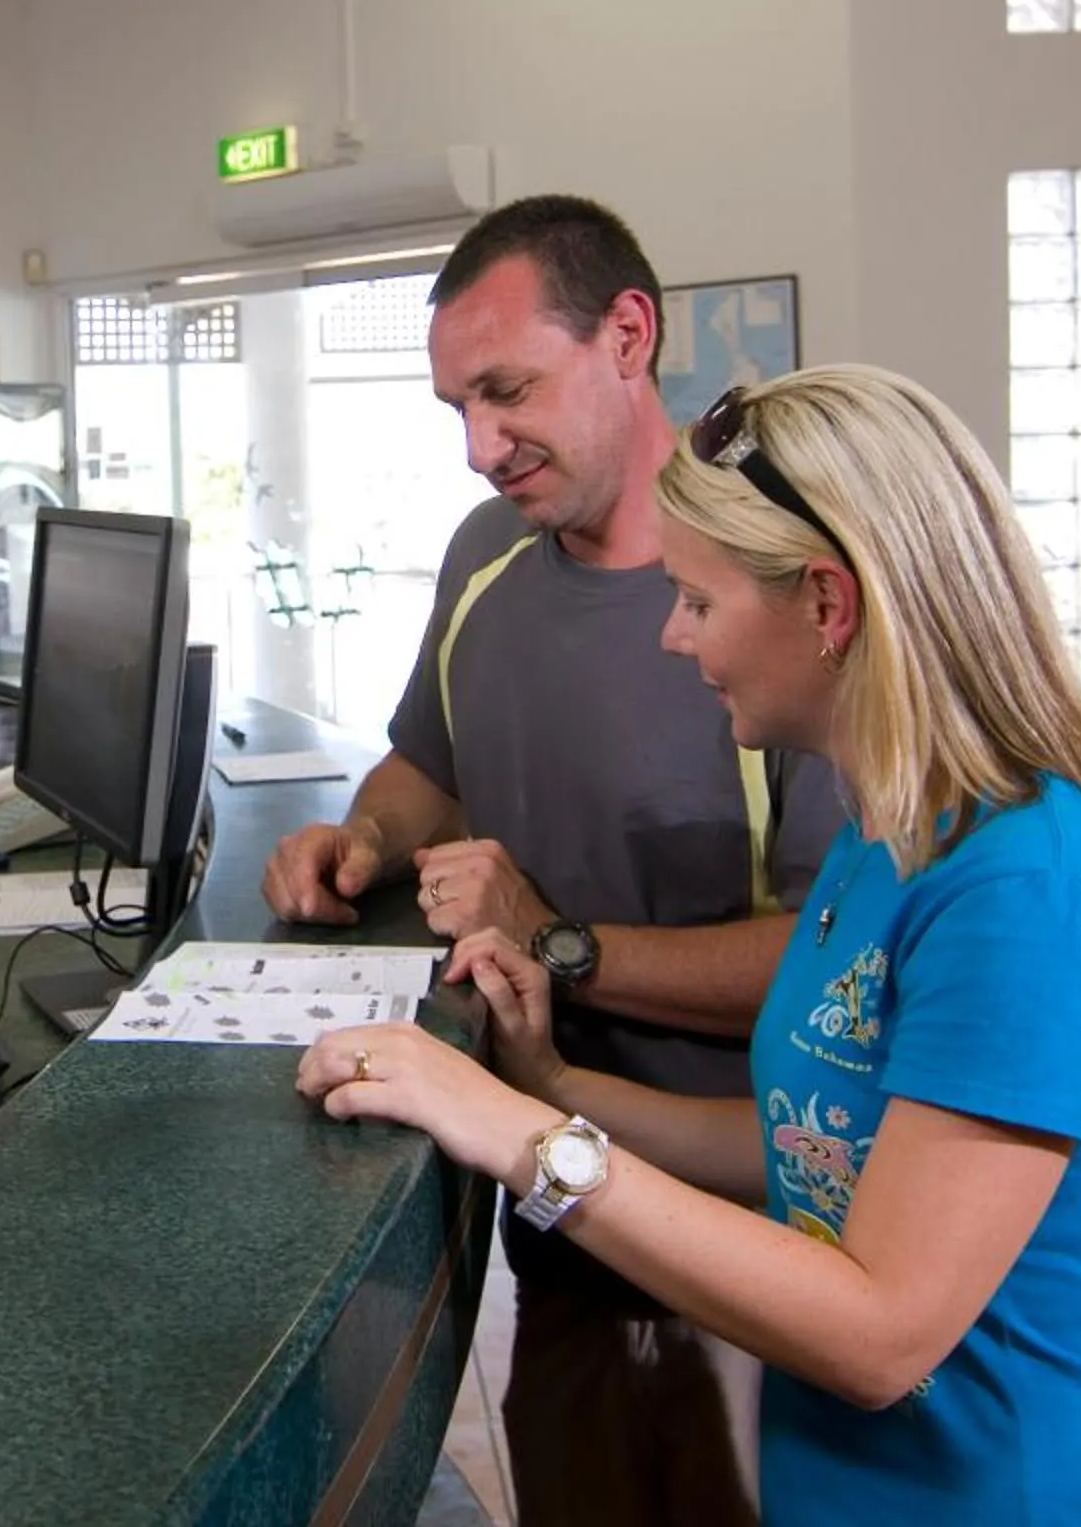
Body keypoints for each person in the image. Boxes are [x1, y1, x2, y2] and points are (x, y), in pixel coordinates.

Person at [298, 364, 1081, 1527]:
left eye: (699, 600)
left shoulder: (1036, 901)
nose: (675, 636)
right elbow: (812, 1140)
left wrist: (511, 1131)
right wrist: (552, 1083)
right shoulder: (891, 839)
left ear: (828, 605)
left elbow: (880, 1331)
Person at [262, 196, 842, 1525]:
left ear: (628, 336)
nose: (480, 446)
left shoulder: (777, 600)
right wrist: (364, 837)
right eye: (455, 406)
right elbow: (432, 760)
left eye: (507, 392)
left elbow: (834, 966)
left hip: (735, 1236)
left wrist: (556, 938)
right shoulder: (487, 552)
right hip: (555, 1203)